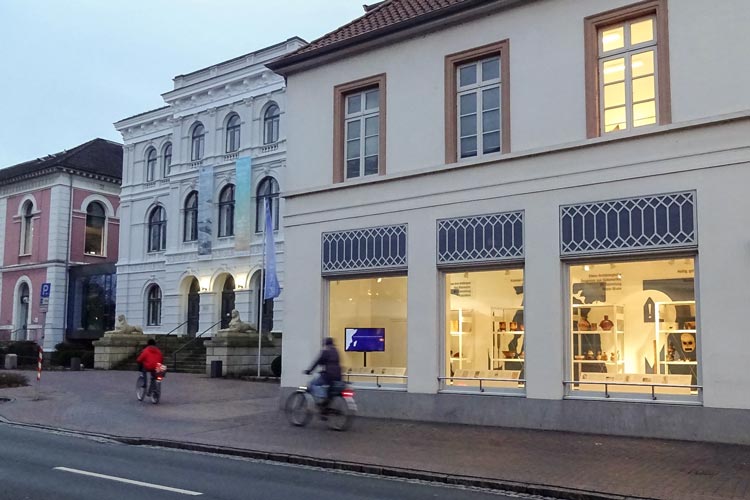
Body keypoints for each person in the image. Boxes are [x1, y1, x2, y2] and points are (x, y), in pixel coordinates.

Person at [304, 337, 342, 406]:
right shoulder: (336, 351)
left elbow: (317, 362)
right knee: (330, 391)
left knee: (313, 384)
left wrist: (309, 371)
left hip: (329, 375)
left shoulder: (326, 351)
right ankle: (325, 406)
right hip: (338, 376)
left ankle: (323, 397)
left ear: (325, 343)